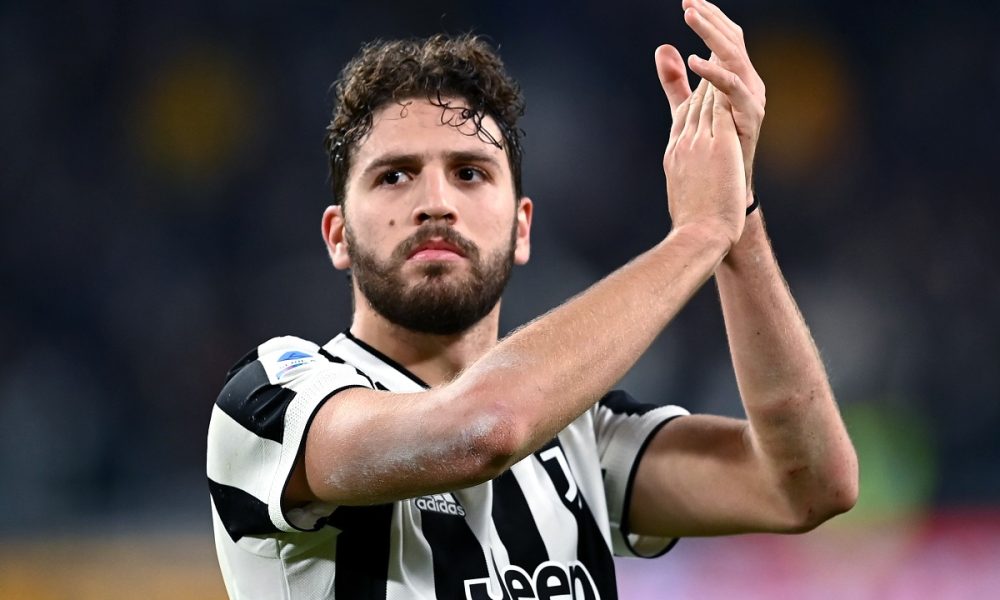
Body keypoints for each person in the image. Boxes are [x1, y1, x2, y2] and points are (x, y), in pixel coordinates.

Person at [207, 1, 858, 597]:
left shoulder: (581, 434)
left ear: (522, 228)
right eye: (395, 175)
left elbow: (807, 486)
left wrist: (737, 215)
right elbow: (482, 431)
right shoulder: (271, 402)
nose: (435, 203)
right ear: (338, 235)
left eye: (469, 172)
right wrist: (698, 235)